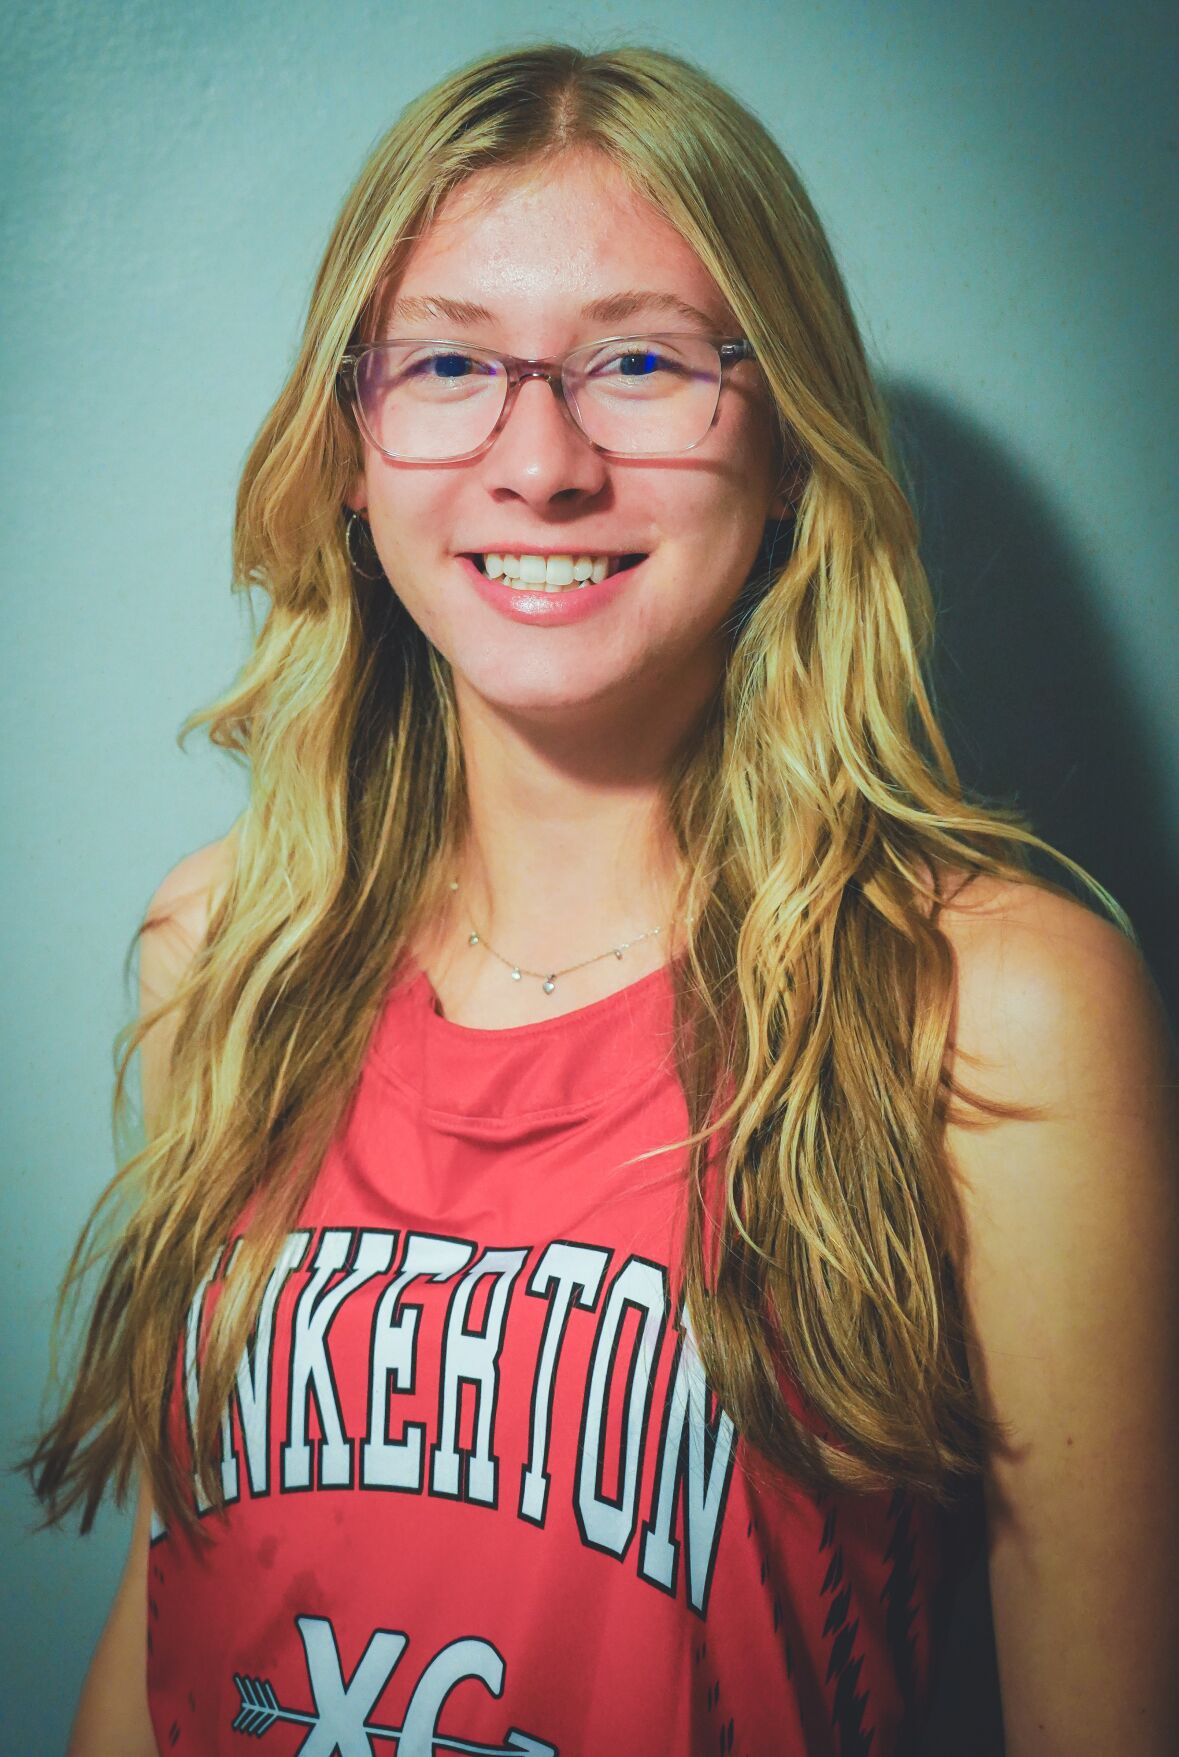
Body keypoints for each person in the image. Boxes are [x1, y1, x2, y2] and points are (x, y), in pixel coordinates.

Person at [26, 42, 1178, 1757]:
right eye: (449, 363)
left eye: (640, 361)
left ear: (788, 442)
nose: (542, 461)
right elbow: (179, 1618)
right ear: (350, 446)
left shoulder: (988, 1012)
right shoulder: (225, 954)